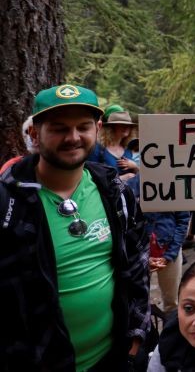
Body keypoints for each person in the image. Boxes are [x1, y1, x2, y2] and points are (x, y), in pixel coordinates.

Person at [0, 84, 149, 370]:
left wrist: (136, 338)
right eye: (58, 128)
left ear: (97, 127)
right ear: (34, 133)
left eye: (83, 127)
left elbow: (136, 265)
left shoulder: (114, 192)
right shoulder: (10, 203)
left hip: (111, 358)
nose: (73, 137)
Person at [145, 211, 191, 314]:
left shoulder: (176, 195)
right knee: (139, 300)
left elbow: (183, 221)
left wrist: (169, 255)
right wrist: (142, 256)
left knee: (172, 303)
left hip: (169, 247)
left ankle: (170, 326)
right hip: (142, 250)